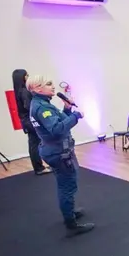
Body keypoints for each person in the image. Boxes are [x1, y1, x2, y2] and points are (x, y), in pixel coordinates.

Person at [26, 75, 94, 236]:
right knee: (67, 187)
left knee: (67, 184)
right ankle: (71, 224)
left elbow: (60, 121)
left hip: (56, 150)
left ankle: (69, 212)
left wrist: (67, 109)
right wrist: (77, 116)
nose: (53, 87)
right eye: (48, 84)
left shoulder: (43, 104)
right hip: (58, 152)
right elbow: (57, 129)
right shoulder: (42, 108)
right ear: (37, 89)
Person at [11, 69, 50, 175]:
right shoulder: (24, 91)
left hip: (26, 120)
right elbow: (29, 106)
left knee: (34, 143)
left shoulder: (19, 91)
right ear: (22, 77)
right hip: (29, 120)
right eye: (27, 75)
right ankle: (39, 168)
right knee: (35, 144)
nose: (29, 76)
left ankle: (39, 167)